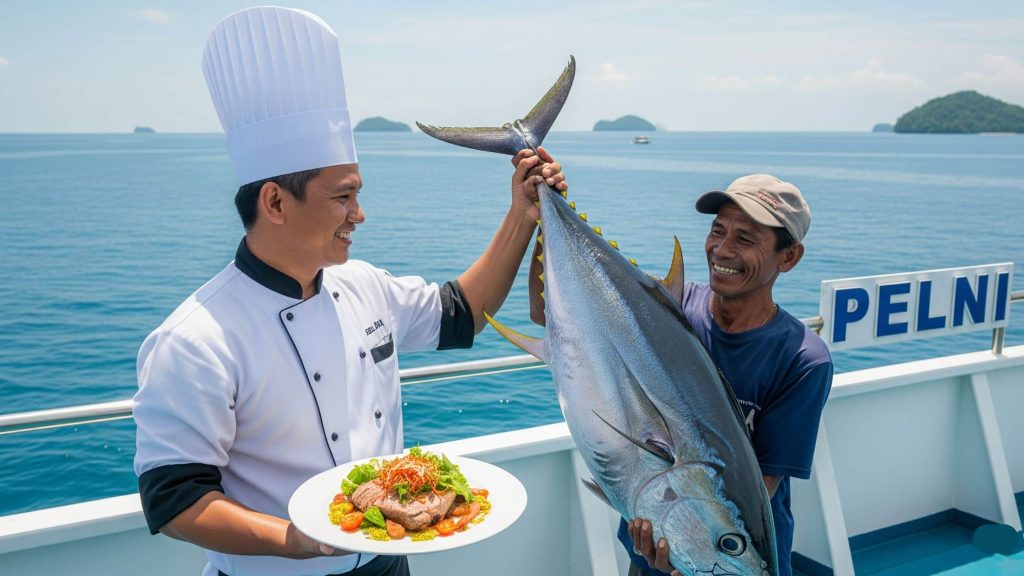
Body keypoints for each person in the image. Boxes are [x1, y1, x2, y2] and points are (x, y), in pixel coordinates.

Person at [132, 7, 566, 576]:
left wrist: (522, 215)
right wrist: (300, 540)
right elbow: (174, 501)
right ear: (276, 203)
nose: (359, 215)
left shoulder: (362, 286)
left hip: (388, 565)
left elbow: (461, 315)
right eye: (343, 197)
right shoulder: (195, 340)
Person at [529, 174, 832, 576]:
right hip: (654, 549)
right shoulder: (672, 307)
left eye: (745, 239)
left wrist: (697, 544)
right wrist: (540, 211)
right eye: (717, 230)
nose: (722, 249)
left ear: (789, 257)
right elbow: (548, 316)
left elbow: (756, 490)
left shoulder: (802, 360)